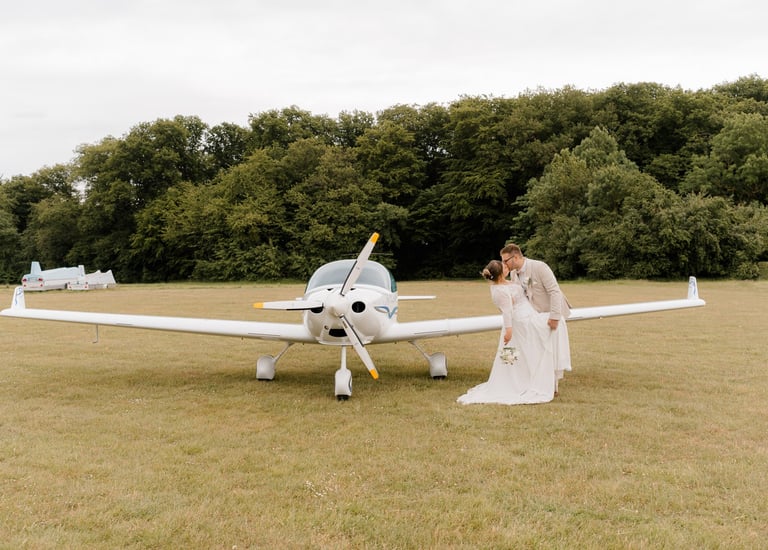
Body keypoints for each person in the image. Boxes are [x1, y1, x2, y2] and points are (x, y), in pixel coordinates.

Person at [457, 260, 557, 405]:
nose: (507, 266)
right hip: (519, 322)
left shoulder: (507, 283)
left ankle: (530, 377)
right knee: (515, 352)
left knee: (524, 351)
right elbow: (507, 312)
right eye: (504, 266)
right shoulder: (500, 290)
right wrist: (509, 330)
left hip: (526, 315)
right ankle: (518, 381)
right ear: (500, 273)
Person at [500, 243, 571, 394]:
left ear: (516, 257)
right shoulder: (513, 274)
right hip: (530, 318)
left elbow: (554, 291)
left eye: (506, 261)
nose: (503, 264)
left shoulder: (540, 267)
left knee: (550, 350)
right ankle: (520, 377)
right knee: (532, 349)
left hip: (547, 315)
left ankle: (553, 386)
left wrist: (554, 317)